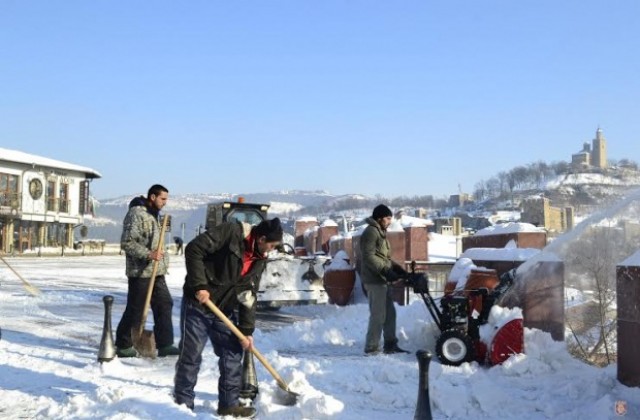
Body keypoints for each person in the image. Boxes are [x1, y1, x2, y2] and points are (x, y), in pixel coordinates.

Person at [173, 217, 283, 418]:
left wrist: (247, 331)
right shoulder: (231, 233)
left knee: (232, 354)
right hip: (199, 303)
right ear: (261, 238)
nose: (271, 250)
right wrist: (199, 285)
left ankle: (228, 405)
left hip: (224, 310)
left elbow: (249, 294)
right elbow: (194, 249)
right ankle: (182, 405)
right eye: (272, 245)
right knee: (191, 356)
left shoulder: (260, 259)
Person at [115, 184, 180, 358]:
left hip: (156, 271)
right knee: (136, 309)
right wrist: (149, 254)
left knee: (164, 304)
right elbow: (127, 242)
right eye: (163, 198)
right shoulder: (136, 214)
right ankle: (122, 344)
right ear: (152, 197)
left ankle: (165, 343)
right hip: (140, 271)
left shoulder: (154, 215)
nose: (165, 202)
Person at [360, 204, 410, 355]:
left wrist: (396, 268)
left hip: (382, 279)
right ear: (380, 218)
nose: (390, 221)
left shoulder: (380, 232)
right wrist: (384, 269)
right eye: (388, 218)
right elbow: (368, 256)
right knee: (378, 314)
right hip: (374, 280)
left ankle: (390, 344)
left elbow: (384, 257)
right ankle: (371, 347)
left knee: (390, 313)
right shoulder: (371, 232)